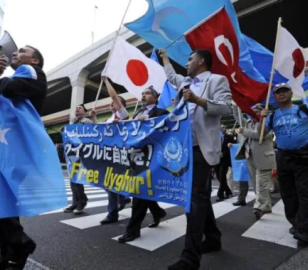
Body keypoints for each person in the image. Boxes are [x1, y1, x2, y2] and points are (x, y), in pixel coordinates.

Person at [159, 49, 232, 270]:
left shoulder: (217, 80)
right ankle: (213, 238)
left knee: (195, 199)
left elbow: (226, 107)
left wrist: (199, 100)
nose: (187, 63)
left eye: (190, 59)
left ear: (201, 61)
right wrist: (164, 58)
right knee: (199, 196)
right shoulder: (186, 82)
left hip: (202, 148)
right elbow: (172, 76)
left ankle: (190, 258)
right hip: (185, 149)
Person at [0, 46, 47, 269]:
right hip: (5, 146)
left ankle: (19, 245)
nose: (15, 53)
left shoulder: (32, 72)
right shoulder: (15, 74)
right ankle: (12, 251)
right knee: (2, 200)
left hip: (18, 146)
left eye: (22, 50)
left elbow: (11, 88)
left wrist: (1, 81)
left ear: (34, 60)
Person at [260, 83, 308, 246]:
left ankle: (305, 231)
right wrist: (262, 118)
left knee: (306, 194)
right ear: (274, 96)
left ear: (291, 93)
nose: (281, 94)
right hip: (284, 158)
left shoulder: (304, 109)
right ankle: (297, 223)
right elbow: (261, 135)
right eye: (278, 92)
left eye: (284, 90)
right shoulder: (272, 116)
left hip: (305, 157)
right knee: (288, 194)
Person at [117, 87, 168, 243]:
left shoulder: (161, 113)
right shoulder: (137, 113)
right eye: (143, 93)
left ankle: (132, 231)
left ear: (155, 97)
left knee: (139, 192)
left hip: (151, 159)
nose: (143, 95)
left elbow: (166, 131)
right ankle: (157, 212)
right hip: (136, 157)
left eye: (147, 93)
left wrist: (150, 123)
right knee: (143, 191)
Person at [232, 103, 275, 220]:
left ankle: (259, 207)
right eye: (252, 111)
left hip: (264, 158)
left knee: (262, 184)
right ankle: (267, 206)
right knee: (257, 184)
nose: (253, 113)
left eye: (256, 111)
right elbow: (238, 117)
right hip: (250, 157)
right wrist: (235, 105)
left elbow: (259, 135)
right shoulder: (249, 123)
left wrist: (243, 131)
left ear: (262, 111)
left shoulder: (268, 122)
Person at [98, 77, 131, 225]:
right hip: (106, 154)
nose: (112, 103)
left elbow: (113, 96)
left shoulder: (122, 115)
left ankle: (112, 213)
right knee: (105, 183)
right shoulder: (109, 119)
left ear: (121, 105)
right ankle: (123, 197)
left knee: (110, 183)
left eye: (115, 102)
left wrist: (106, 81)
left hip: (118, 153)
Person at [63, 103, 95, 214]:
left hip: (82, 153)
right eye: (76, 107)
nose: (77, 109)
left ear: (85, 112)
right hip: (73, 153)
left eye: (80, 108)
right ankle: (75, 203)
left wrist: (93, 118)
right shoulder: (73, 122)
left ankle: (82, 200)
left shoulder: (86, 121)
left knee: (77, 178)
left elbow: (93, 133)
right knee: (73, 179)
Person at [214, 125, 236, 201]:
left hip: (225, 160)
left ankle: (220, 194)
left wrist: (223, 153)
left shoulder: (229, 137)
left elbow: (232, 147)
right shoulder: (215, 137)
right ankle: (228, 191)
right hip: (216, 160)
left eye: (224, 127)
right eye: (221, 127)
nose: (223, 129)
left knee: (222, 176)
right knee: (219, 177)